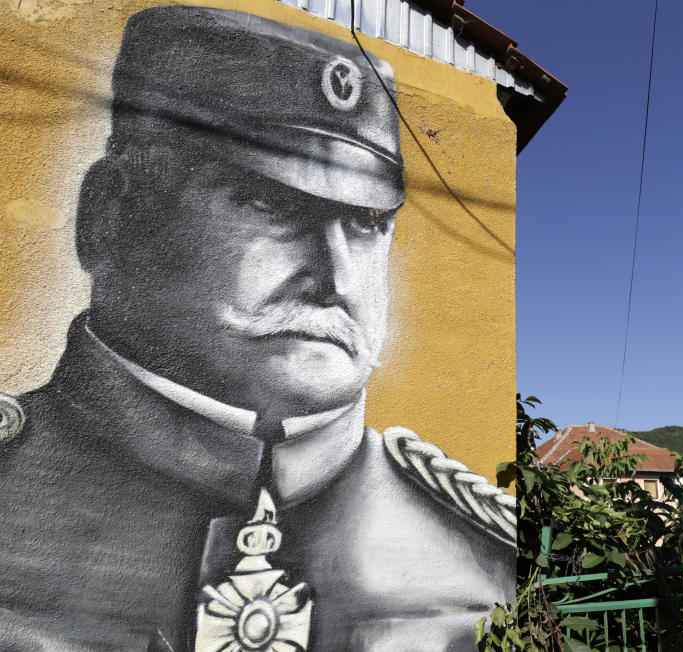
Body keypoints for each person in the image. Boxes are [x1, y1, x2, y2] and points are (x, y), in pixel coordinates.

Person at [0, 6, 514, 651]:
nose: (334, 276)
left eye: (366, 224)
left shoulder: (484, 554)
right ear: (110, 217)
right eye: (270, 204)